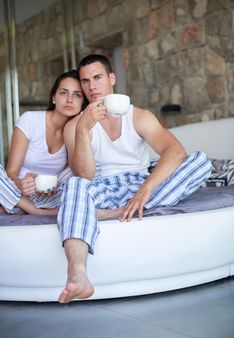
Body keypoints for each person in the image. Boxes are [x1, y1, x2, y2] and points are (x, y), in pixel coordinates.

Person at [57, 54, 212, 303]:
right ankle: (78, 274)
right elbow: (84, 175)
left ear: (112, 79)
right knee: (74, 186)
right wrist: (83, 128)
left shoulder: (137, 115)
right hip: (103, 187)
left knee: (201, 161)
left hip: (141, 184)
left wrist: (146, 189)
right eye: (85, 81)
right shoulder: (74, 125)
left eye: (97, 78)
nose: (91, 87)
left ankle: (119, 211)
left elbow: (175, 151)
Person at [0, 70, 86, 215]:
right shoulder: (30, 120)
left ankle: (18, 207)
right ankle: (30, 209)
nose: (70, 100)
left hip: (48, 197)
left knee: (80, 171)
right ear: (53, 97)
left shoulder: (76, 131)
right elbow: (11, 173)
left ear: (83, 103)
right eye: (63, 93)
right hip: (16, 188)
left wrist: (53, 187)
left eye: (77, 95)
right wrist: (21, 184)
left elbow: (70, 175)